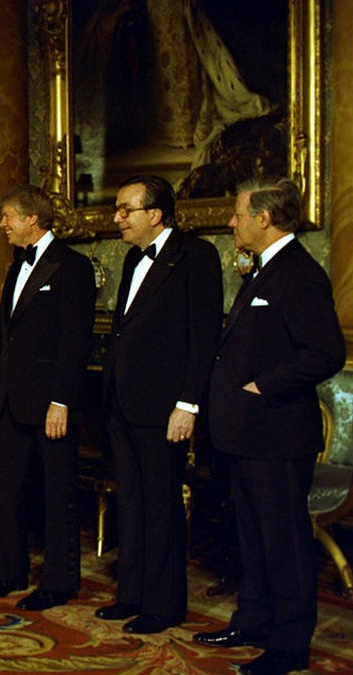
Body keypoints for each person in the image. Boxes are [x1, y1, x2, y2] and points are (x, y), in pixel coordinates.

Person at [192, 177, 344, 675]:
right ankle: (252, 621)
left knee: (285, 543)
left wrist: (265, 386)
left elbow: (325, 352)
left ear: (264, 218)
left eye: (239, 215)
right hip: (246, 435)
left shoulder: (298, 274)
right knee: (252, 537)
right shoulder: (264, 270)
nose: (231, 222)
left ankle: (288, 645)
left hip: (276, 434)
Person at [95, 175, 223, 634]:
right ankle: (131, 595)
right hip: (123, 405)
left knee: (161, 505)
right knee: (132, 503)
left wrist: (187, 405)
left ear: (156, 213)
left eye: (126, 209)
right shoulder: (132, 259)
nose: (117, 218)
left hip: (165, 408)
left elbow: (203, 336)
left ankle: (164, 605)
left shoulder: (197, 257)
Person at [0, 184, 96, 611]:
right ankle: (6, 574)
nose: (2, 224)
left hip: (50, 405)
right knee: (6, 490)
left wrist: (61, 401)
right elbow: (4, 337)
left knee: (56, 493)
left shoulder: (72, 267)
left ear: (32, 219)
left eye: (8, 216)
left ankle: (59, 583)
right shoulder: (15, 267)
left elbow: (75, 342)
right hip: (11, 401)